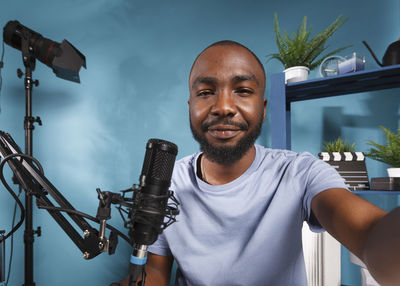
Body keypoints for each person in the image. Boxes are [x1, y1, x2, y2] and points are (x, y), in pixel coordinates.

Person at [119, 40, 400, 285]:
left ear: (263, 109)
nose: (224, 107)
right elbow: (154, 273)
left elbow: (369, 233)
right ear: (191, 106)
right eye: (205, 92)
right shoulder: (167, 180)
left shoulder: (299, 172)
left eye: (242, 90)